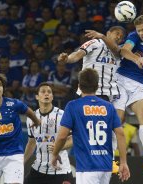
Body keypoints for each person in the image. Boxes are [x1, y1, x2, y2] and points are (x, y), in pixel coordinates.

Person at [88, 15, 143, 171]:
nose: (141, 32)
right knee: (118, 119)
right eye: (139, 30)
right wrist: (136, 59)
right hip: (120, 80)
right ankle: (110, 160)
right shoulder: (133, 37)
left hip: (137, 84)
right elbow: (124, 50)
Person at [58, 25, 126, 173]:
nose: (118, 37)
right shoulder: (94, 43)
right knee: (88, 129)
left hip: (108, 95)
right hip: (89, 91)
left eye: (121, 36)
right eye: (116, 34)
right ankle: (62, 144)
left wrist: (103, 36)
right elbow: (77, 55)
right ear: (108, 32)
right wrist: (67, 59)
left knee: (111, 129)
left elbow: (116, 49)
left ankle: (111, 160)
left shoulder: (119, 51)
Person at [52, 68, 130, 184]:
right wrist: (123, 162)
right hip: (106, 166)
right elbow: (120, 134)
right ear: (97, 86)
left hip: (87, 166)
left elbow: (62, 136)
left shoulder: (73, 106)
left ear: (79, 86)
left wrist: (55, 154)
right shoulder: (108, 107)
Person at [24, 82, 74, 184]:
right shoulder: (31, 117)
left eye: (49, 92)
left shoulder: (62, 115)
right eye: (43, 92)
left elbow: (75, 137)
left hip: (61, 170)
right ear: (37, 97)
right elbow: (32, 142)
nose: (46, 94)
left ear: (52, 97)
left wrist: (59, 146)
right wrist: (22, 161)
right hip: (38, 170)